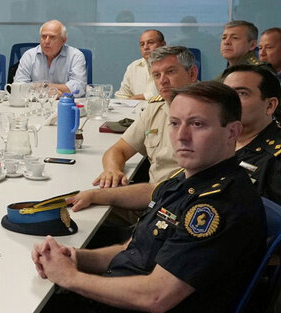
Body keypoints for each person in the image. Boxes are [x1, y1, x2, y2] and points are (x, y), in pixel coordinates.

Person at [32, 81, 266, 313]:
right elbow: (134, 250)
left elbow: (156, 296)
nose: (181, 136)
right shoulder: (189, 178)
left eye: (197, 124)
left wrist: (70, 277)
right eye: (174, 123)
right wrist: (75, 258)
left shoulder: (217, 205)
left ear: (232, 132)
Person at [94, 46, 198, 188]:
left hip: (185, 200)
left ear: (192, 74)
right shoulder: (154, 109)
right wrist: (112, 170)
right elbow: (117, 150)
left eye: (170, 72)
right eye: (156, 75)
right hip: (151, 198)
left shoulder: (210, 114)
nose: (163, 81)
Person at [223, 64, 281, 204]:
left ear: (270, 106)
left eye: (242, 93)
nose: (229, 101)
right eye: (225, 93)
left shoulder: (276, 159)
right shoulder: (212, 142)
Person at [14, 20, 87, 97]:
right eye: (44, 36)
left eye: (52, 37)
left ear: (63, 40)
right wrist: (51, 91)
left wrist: (40, 87)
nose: (47, 41)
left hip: (65, 104)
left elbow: (79, 88)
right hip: (35, 105)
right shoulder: (29, 55)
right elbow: (18, 87)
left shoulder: (75, 56)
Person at [114, 29, 165, 100]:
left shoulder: (174, 65)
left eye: (150, 43)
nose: (145, 47)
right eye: (142, 44)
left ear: (163, 44)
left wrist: (143, 97)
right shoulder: (133, 67)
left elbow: (174, 93)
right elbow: (121, 96)